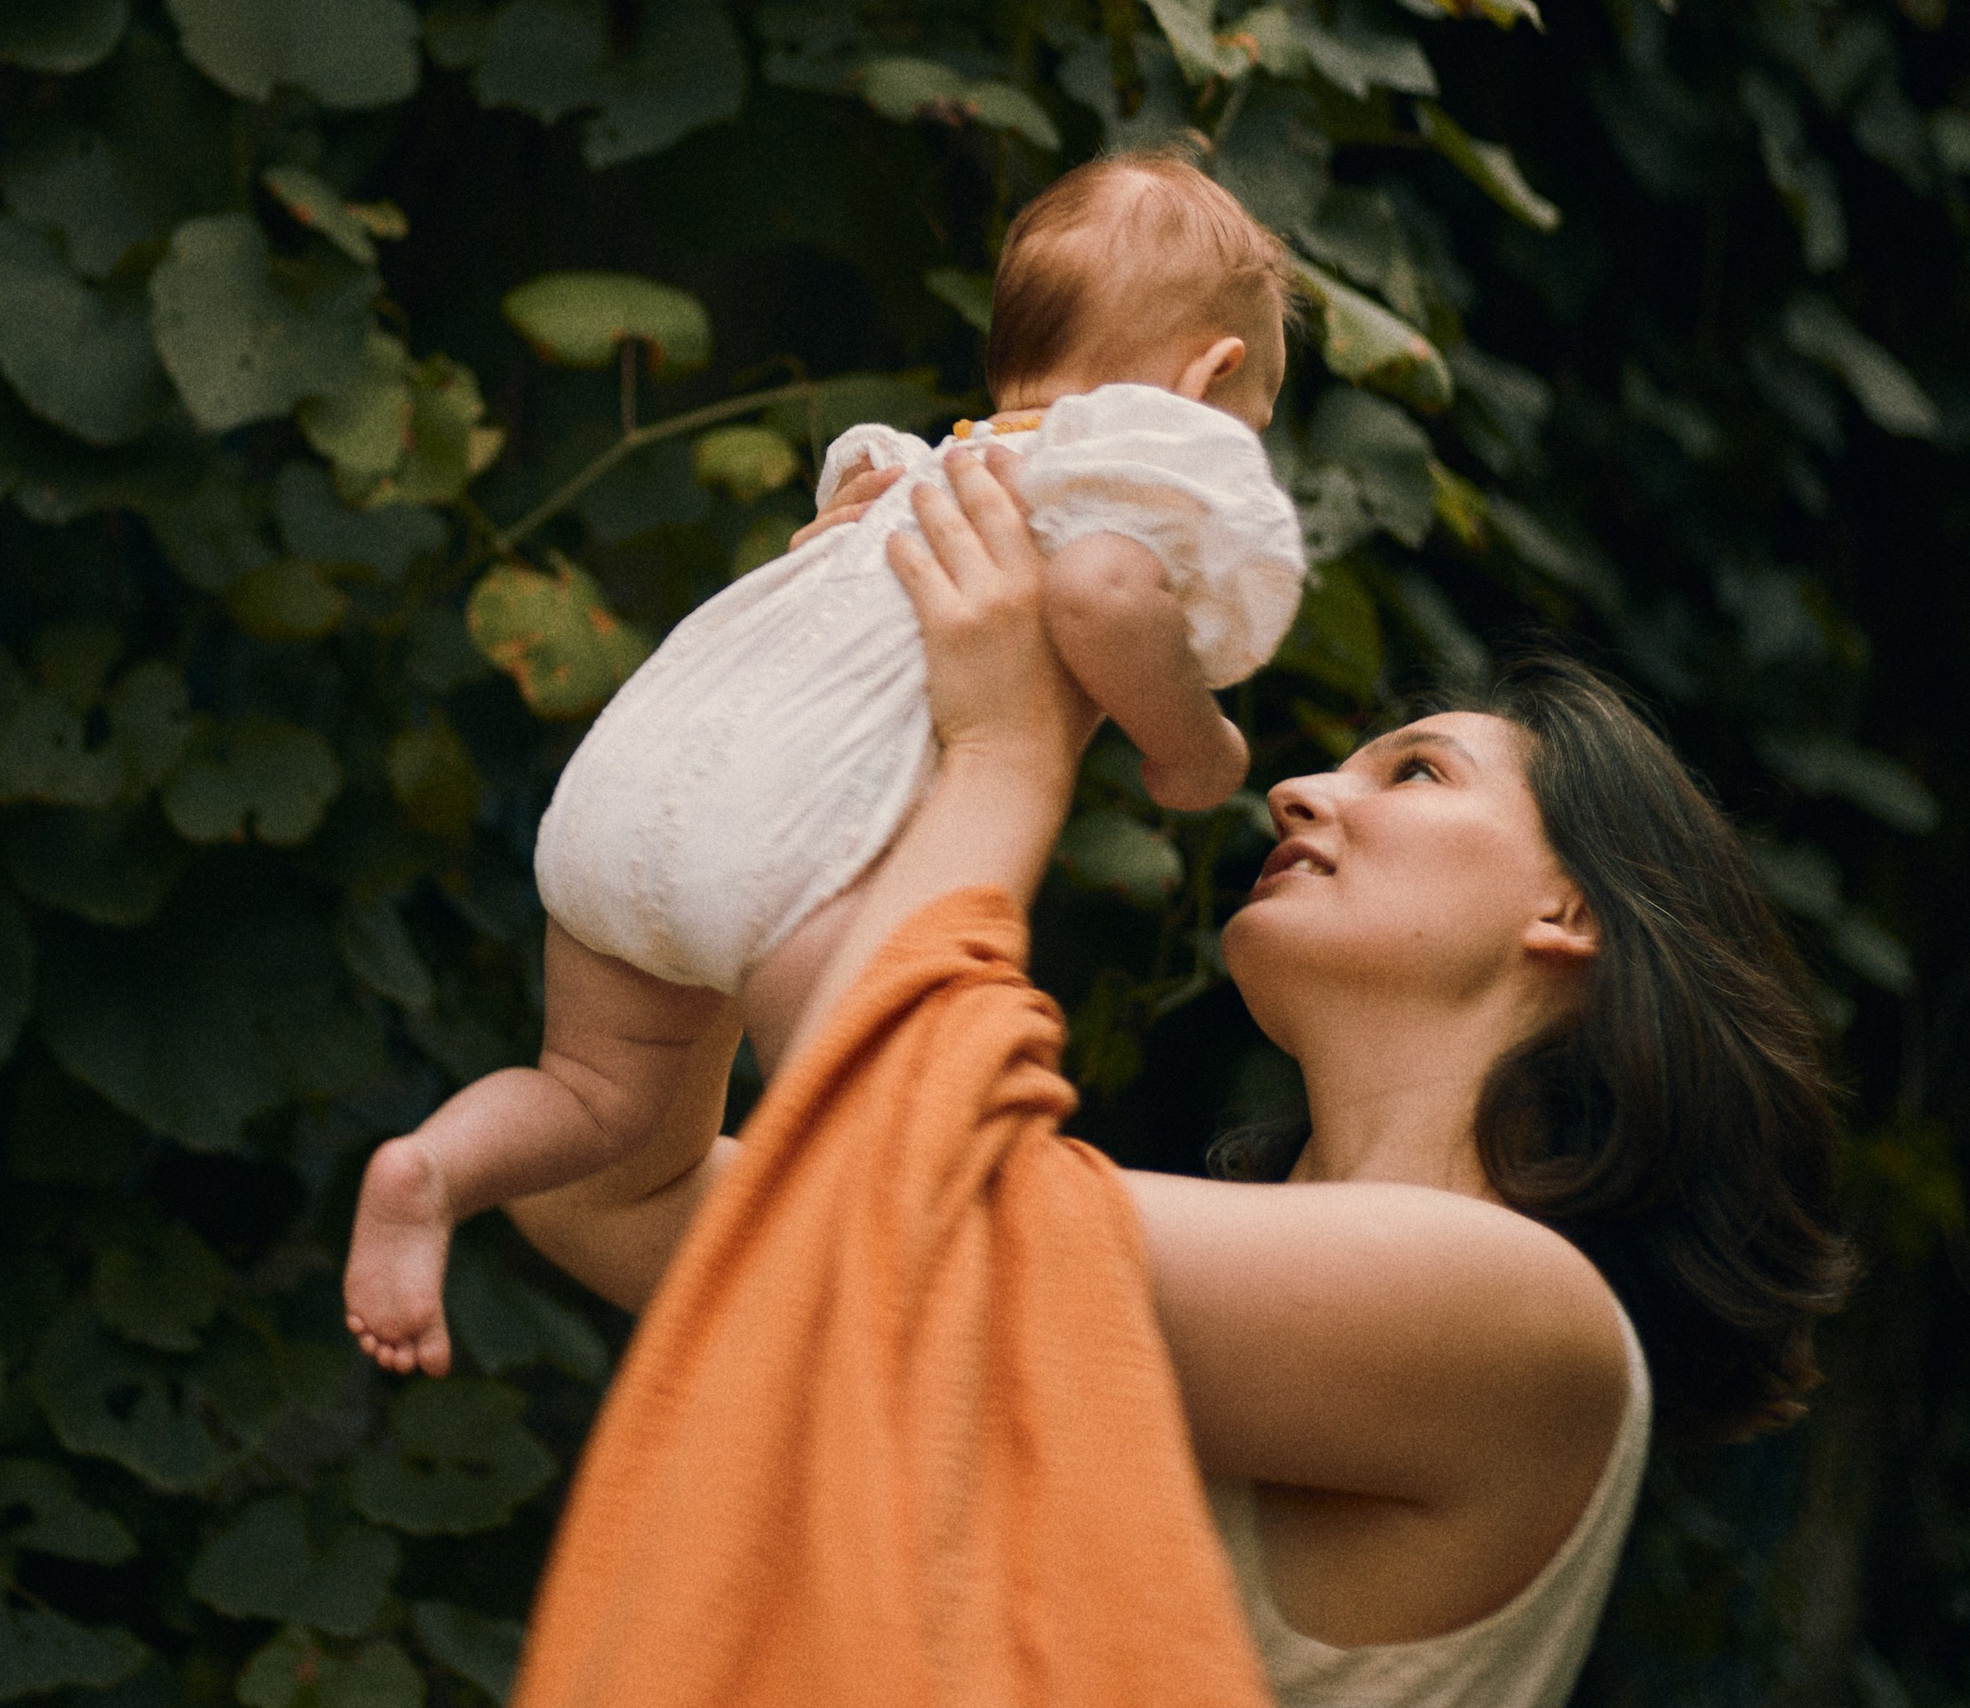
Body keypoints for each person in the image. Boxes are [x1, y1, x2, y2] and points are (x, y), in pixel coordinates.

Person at [505, 451, 1854, 1708]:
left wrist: (1005, 752)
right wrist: (793, 708)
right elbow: (602, 1179)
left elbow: (893, 1177)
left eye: (1419, 770)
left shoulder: (1528, 1319)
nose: (1302, 792)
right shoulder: (1141, 1275)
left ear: (1571, 910)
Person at [347, 147, 1309, 1373]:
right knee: (870, 1136)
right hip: (793, 855)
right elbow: (1102, 586)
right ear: (1210, 373)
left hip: (619, 797)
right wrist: (1196, 745)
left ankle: (429, 1172)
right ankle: (876, 1374)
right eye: (1254, 421)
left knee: (600, 1104)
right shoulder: (1106, 473)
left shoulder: (899, 473)